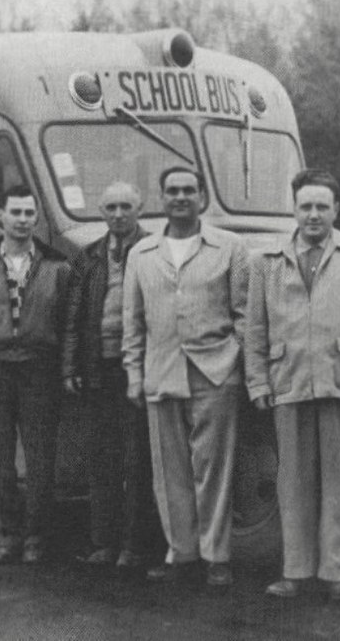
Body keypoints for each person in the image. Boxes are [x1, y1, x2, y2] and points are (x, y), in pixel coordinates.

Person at [245, 168, 340, 601]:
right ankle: (295, 572)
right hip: (288, 382)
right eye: (305, 206)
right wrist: (258, 382)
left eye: (321, 207)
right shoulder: (267, 261)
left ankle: (337, 573)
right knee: (291, 483)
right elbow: (255, 329)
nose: (313, 215)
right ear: (293, 209)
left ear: (336, 210)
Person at [122, 166, 248, 588]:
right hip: (161, 372)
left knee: (213, 468)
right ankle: (183, 553)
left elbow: (245, 313)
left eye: (188, 191)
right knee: (169, 471)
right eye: (172, 190)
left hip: (215, 372)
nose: (180, 197)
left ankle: (217, 556)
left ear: (202, 198)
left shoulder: (229, 248)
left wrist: (234, 361)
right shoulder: (141, 254)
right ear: (161, 199)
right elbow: (132, 322)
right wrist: (134, 375)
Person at [0, 184, 70, 565]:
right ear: (0, 217)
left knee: (40, 458)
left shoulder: (58, 267)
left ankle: (37, 538)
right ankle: (7, 535)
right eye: (16, 213)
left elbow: (66, 323)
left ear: (36, 218)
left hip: (39, 367)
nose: (23, 220)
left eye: (29, 213)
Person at [62, 181, 157, 571]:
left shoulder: (154, 251)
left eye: (126, 206)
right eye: (111, 207)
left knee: (138, 461)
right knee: (102, 458)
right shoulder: (89, 257)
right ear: (101, 212)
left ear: (140, 209)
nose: (118, 214)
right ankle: (103, 543)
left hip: (138, 370)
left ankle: (134, 546)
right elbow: (73, 317)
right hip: (98, 369)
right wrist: (70, 367)